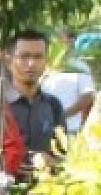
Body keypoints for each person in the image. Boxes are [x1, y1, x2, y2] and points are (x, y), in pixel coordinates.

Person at [6, 29, 67, 173]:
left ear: (46, 62)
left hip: (46, 189)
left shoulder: (53, 105)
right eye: (24, 56)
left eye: (38, 57)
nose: (31, 63)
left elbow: (61, 152)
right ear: (9, 61)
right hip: (4, 191)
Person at [42, 30, 95, 136]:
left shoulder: (80, 67)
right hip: (44, 128)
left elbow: (87, 97)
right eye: (61, 40)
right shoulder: (45, 67)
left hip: (70, 129)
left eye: (69, 40)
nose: (65, 43)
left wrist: (62, 115)